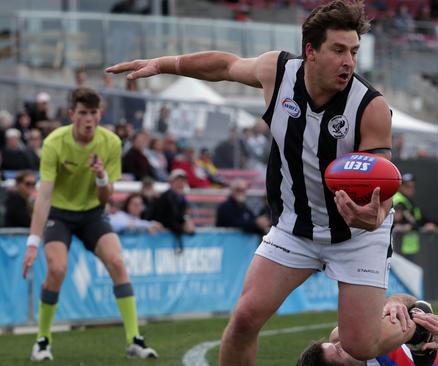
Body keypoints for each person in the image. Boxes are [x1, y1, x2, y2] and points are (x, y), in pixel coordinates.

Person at [107, 1, 402, 363]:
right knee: (244, 318)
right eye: (339, 50)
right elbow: (225, 66)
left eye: (354, 52)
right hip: (296, 228)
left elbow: (382, 183)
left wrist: (373, 214)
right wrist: (163, 65)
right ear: (311, 51)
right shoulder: (277, 72)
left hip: (357, 235)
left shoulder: (369, 106)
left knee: (358, 345)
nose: (349, 63)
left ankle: (413, 321)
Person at [20, 87, 157, 361]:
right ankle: (42, 341)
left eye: (93, 113)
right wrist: (32, 244)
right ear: (72, 114)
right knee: (57, 270)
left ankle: (134, 339)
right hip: (59, 214)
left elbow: (106, 197)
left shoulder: (111, 143)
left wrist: (102, 178)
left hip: (93, 213)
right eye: (82, 113)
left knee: (118, 264)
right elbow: (44, 196)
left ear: (100, 114)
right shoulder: (54, 143)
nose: (88, 119)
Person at [297, 275, 438, 366]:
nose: (339, 343)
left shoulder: (355, 340)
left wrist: (394, 302)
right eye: (338, 351)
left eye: (332, 344)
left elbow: (417, 303)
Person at [393, 173, 438, 259]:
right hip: (398, 248)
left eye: (412, 186)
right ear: (401, 187)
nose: (411, 189)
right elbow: (409, 223)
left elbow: (420, 219)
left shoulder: (409, 202)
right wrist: (424, 228)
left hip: (409, 247)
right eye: (407, 187)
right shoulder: (398, 201)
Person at [147, 169, 195, 251]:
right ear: (171, 182)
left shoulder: (181, 198)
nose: (180, 184)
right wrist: (183, 228)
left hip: (167, 237)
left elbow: (179, 217)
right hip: (157, 237)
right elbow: (168, 220)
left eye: (182, 181)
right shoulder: (167, 197)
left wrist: (186, 222)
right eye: (177, 181)